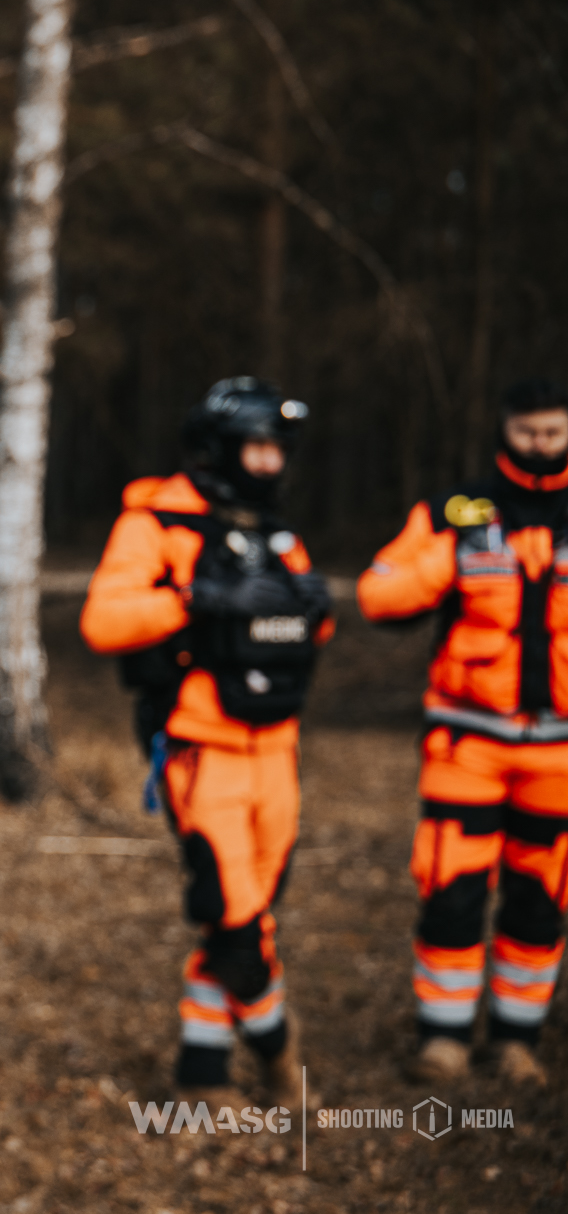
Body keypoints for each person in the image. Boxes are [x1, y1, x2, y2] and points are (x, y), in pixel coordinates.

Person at [80, 377, 332, 1105]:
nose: (268, 462)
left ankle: (202, 1070)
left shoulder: (275, 531)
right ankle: (282, 1051)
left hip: (277, 751)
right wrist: (196, 599)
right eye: (255, 446)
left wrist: (313, 606)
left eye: (277, 449)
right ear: (219, 445)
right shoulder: (156, 518)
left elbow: (306, 631)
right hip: (200, 748)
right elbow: (104, 620)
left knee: (254, 911)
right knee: (233, 910)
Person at [356, 377, 568, 1086]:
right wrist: (449, 557)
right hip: (466, 744)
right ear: (505, 428)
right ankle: (442, 1038)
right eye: (528, 431)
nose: (540, 445)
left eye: (554, 432)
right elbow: (378, 592)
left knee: (542, 895)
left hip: (560, 752)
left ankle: (515, 1040)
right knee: (452, 887)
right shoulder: (456, 509)